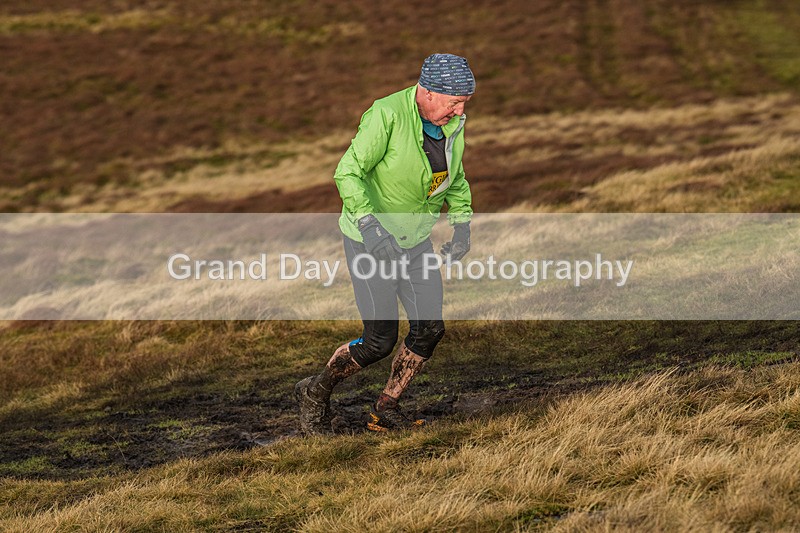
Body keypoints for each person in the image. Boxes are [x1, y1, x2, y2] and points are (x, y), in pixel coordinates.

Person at [295, 53, 475, 435]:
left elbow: (454, 179)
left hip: (415, 240)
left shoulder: (453, 125)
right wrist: (370, 225)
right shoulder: (387, 115)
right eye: (453, 102)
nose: (459, 111)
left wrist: (461, 226)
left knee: (429, 328)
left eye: (464, 103)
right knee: (379, 341)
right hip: (370, 240)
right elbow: (348, 172)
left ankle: (385, 408)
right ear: (426, 91)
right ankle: (315, 391)